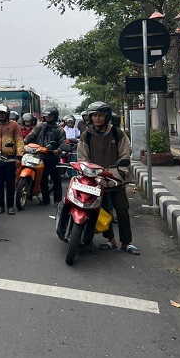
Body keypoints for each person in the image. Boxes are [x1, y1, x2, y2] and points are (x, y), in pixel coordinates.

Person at [77, 101, 138, 255]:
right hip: (96, 180)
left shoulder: (117, 133)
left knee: (122, 212)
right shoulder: (86, 135)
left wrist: (120, 172)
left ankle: (126, 242)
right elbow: (82, 157)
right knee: (103, 212)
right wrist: (88, 172)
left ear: (107, 117)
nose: (97, 118)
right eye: (94, 115)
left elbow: (125, 153)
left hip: (115, 179)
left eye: (100, 115)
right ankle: (110, 240)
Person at [0, 104, 24, 215]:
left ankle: (10, 206)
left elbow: (19, 141)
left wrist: (19, 157)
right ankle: (0, 205)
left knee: (11, 184)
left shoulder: (14, 125)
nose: (1, 115)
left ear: (7, 114)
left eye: (3, 113)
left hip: (10, 159)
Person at [24, 106, 66, 206]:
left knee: (56, 179)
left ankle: (57, 200)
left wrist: (58, 150)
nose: (48, 118)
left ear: (55, 116)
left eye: (50, 116)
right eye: (46, 116)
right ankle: (45, 199)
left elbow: (63, 143)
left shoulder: (59, 130)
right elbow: (31, 136)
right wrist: (23, 143)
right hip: (41, 156)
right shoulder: (40, 126)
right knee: (42, 178)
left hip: (53, 157)